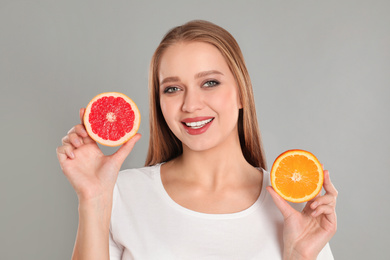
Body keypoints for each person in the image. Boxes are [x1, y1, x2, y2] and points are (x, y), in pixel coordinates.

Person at [57, 20, 337, 260]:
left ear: (241, 93)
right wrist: (93, 199)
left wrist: (299, 257)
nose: (190, 105)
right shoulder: (120, 194)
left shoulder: (292, 208)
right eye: (173, 88)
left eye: (210, 83)